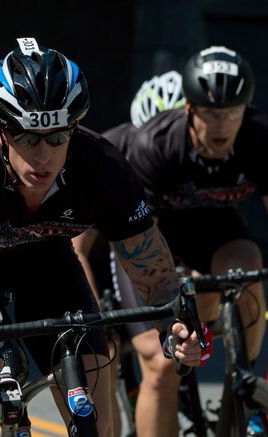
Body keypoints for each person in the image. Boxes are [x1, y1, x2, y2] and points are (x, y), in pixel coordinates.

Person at [0, 37, 211, 436]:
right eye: (28, 138)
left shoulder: (101, 168)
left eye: (57, 138)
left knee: (98, 424)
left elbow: (157, 279)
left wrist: (178, 329)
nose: (43, 155)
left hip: (46, 262)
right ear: (0, 131)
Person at [114, 44, 268, 433]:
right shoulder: (157, 145)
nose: (223, 124)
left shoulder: (259, 136)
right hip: (152, 235)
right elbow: (136, 240)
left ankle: (241, 384)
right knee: (161, 363)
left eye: (233, 112)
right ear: (190, 110)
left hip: (215, 227)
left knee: (247, 267)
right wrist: (158, 318)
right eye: (213, 113)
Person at [73, 70, 187, 437]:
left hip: (153, 245)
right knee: (113, 355)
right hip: (105, 249)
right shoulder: (110, 155)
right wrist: (95, 310)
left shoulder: (184, 154)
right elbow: (77, 246)